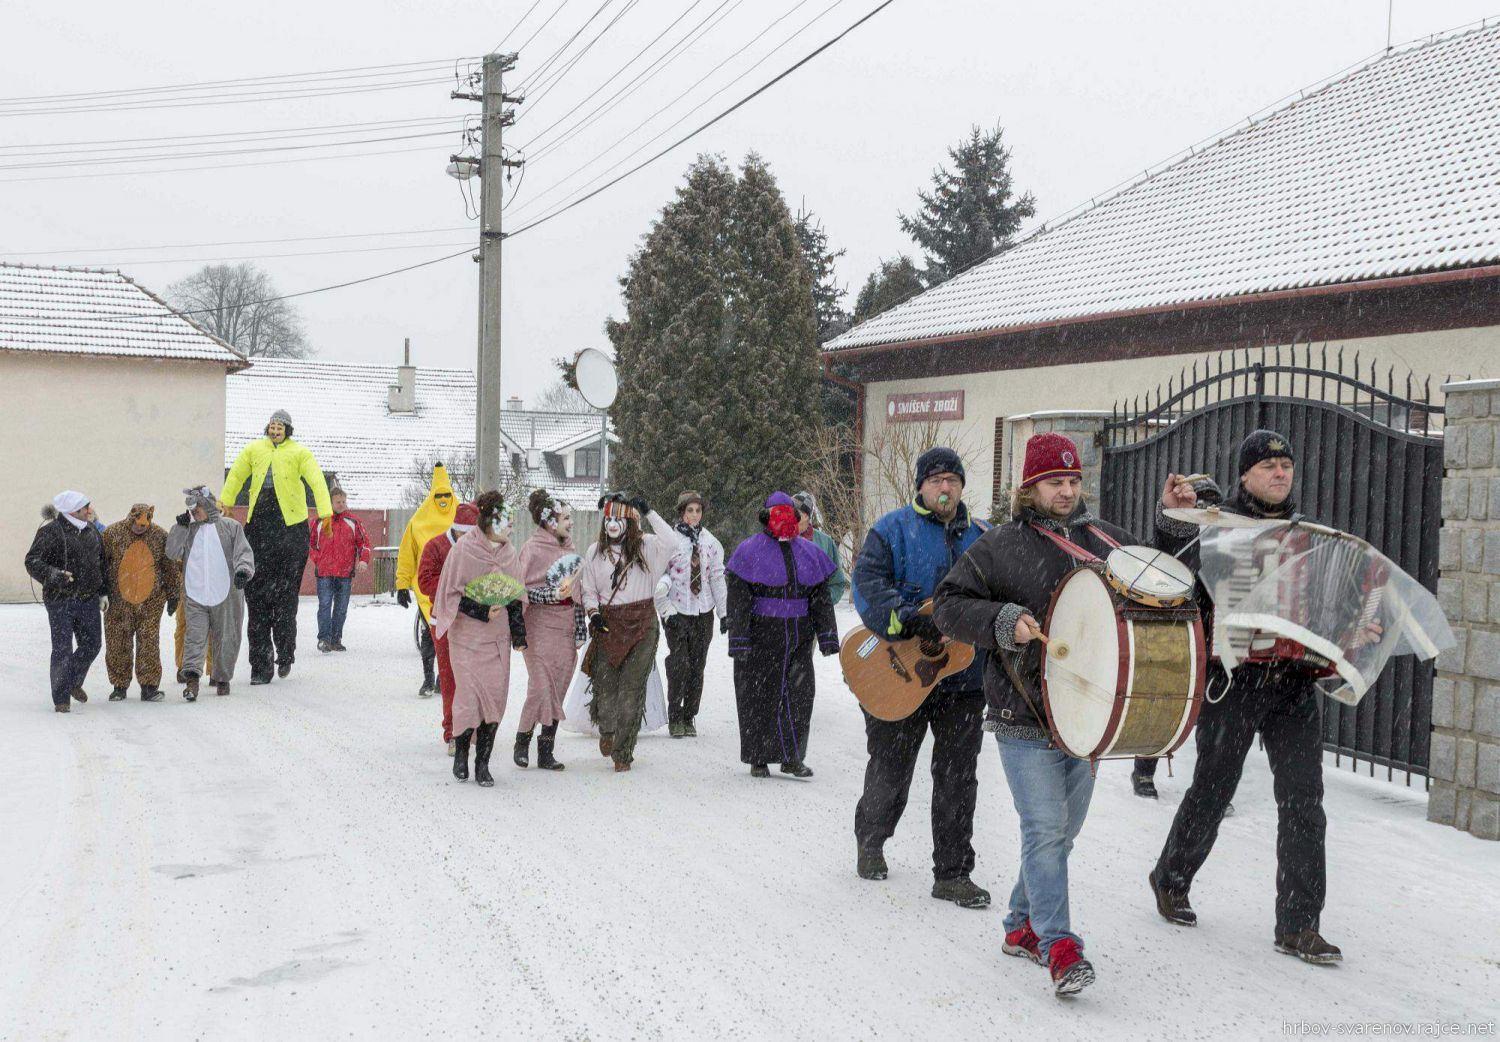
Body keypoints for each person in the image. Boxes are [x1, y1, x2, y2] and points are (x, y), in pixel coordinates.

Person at [934, 434, 1194, 996]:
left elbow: (1160, 581)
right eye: (1055, 481)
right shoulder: (1000, 545)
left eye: (1073, 481)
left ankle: (1019, 925)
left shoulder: (1104, 540)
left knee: (1061, 835)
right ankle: (1060, 946)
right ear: (1030, 487)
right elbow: (949, 607)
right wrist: (1004, 621)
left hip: (1088, 719)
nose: (1067, 491)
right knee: (1046, 831)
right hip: (1022, 714)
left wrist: (1171, 525)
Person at [1148, 430, 1344, 966]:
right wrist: (1171, 518)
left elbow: (1334, 600)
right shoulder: (1219, 527)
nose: (1280, 473)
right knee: (1214, 788)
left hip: (1294, 682)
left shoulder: (1307, 535)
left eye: (1286, 465)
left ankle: (1299, 925)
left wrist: (1354, 624)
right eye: (1268, 466)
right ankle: (1171, 877)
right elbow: (1167, 566)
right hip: (1233, 678)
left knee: (1304, 801)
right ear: (1244, 475)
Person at [849, 447, 992, 910]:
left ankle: (953, 873)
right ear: (921, 486)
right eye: (936, 481)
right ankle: (871, 840)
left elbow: (1003, 593)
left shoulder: (983, 537)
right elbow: (868, 585)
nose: (945, 488)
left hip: (962, 680)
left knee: (957, 779)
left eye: (952, 480)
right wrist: (909, 619)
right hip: (900, 673)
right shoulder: (891, 530)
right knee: (891, 769)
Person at [1130, 474, 1233, 815]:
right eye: (1201, 504)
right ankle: (1144, 771)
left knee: (1217, 719)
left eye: (1213, 505)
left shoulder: (1228, 547)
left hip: (1216, 643)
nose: (1206, 511)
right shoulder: (1176, 542)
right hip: (1177, 638)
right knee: (1162, 704)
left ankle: (1212, 784)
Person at [725, 492, 839, 779]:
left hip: (800, 636)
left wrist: (827, 636)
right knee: (760, 697)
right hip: (761, 636)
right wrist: (739, 639)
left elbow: (821, 599)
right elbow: (738, 601)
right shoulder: (749, 551)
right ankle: (759, 757)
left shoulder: (809, 552)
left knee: (800, 697)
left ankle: (792, 757)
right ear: (766, 518)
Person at [220, 409, 332, 685]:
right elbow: (236, 475)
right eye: (272, 426)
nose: (275, 431)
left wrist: (325, 512)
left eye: (280, 427)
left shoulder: (300, 453)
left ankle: (284, 653)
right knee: (256, 601)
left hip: (291, 530)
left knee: (285, 600)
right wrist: (226, 501)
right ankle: (260, 666)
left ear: (288, 430)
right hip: (259, 526)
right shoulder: (254, 450)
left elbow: (316, 480)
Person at [431, 491, 527, 787]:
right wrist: (480, 609)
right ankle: (461, 753)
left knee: (494, 699)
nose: (511, 526)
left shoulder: (509, 553)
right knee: (469, 697)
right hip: (467, 637)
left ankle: (482, 763)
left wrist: (519, 633)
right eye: (506, 521)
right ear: (490, 522)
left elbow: (515, 595)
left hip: (497, 639)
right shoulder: (463, 550)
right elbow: (450, 593)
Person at [576, 493, 675, 773]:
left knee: (631, 690)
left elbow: (672, 542)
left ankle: (623, 750)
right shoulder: (595, 551)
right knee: (606, 689)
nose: (612, 524)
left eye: (618, 519)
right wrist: (593, 613)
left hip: (642, 625)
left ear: (630, 522)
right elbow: (588, 589)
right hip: (608, 625)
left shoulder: (647, 547)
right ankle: (607, 729)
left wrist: (649, 511)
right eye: (608, 518)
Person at [515, 489, 586, 770]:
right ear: (550, 521)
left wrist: (580, 627)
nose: (571, 522)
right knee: (541, 686)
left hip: (565, 626)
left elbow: (578, 594)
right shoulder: (531, 549)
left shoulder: (570, 550)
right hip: (538, 625)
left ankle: (546, 750)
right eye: (565, 518)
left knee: (557, 687)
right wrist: (549, 595)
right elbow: (521, 590)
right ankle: (522, 740)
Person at [166, 487, 255, 700]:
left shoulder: (231, 527)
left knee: (226, 637)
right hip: (195, 593)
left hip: (226, 593)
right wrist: (179, 529)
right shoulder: (188, 530)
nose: (194, 513)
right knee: (194, 637)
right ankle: (192, 682)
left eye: (197, 509)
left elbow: (243, 551)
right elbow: (172, 552)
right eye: (192, 510)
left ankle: (222, 678)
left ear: (207, 505)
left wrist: (243, 570)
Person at [25, 491, 108, 713]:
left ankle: (71, 681)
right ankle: (61, 698)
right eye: (85, 508)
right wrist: (53, 575)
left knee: (92, 644)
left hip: (88, 599)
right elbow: (32, 561)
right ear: (73, 511)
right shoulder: (50, 532)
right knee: (62, 649)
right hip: (60, 600)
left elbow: (102, 563)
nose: (89, 510)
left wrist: (103, 592)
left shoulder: (92, 531)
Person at [661, 490, 728, 738]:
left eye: (698, 510)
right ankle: (674, 716)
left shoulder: (710, 542)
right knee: (679, 664)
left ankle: (689, 716)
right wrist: (666, 610)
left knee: (697, 667)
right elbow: (660, 577)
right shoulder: (670, 541)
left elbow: (716, 578)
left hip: (703, 612)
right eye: (690, 510)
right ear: (682, 512)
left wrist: (724, 613)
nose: (694, 515)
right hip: (677, 611)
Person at [418, 501, 479, 755]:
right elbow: (424, 581)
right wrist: (455, 591)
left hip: (474, 621)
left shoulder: (480, 548)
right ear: (455, 529)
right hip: (444, 622)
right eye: (464, 534)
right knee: (450, 677)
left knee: (473, 678)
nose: (468, 539)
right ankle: (453, 731)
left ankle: (473, 727)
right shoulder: (436, 546)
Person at [101, 503, 179, 703]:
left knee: (149, 643)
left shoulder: (160, 536)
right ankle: (119, 686)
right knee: (118, 642)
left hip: (151, 601)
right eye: (137, 524)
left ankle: (149, 687)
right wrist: (100, 592)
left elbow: (169, 567)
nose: (140, 528)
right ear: (131, 518)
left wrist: (173, 594)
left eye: (144, 526)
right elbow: (101, 564)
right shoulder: (112, 534)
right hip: (118, 601)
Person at [395, 463, 458, 698]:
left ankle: (444, 677)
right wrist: (402, 585)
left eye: (446, 495)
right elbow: (407, 555)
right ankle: (428, 678)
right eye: (438, 495)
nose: (443, 500)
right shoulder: (418, 522)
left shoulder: (461, 518)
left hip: (457, 589)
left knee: (451, 637)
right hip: (427, 590)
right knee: (431, 635)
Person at [308, 486, 371, 653]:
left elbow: (364, 543)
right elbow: (311, 544)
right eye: (338, 502)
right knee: (325, 605)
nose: (341, 504)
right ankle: (324, 639)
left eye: (343, 501)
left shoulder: (353, 521)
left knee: (341, 608)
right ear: (330, 502)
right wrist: (318, 559)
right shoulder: (319, 521)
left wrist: (363, 560)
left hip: (345, 572)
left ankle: (336, 639)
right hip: (324, 572)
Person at [792, 491, 849, 605]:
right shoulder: (781, 539)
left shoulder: (825, 542)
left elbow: (837, 582)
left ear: (805, 515)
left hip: (817, 613)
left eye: (794, 512)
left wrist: (823, 602)